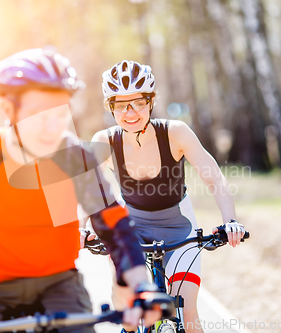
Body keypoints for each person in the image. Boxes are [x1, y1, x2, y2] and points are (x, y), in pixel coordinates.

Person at [0, 50, 160, 333]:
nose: (52, 127)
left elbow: (115, 225)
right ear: (7, 109)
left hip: (58, 284)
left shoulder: (76, 158)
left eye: (60, 113)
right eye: (39, 114)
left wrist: (142, 287)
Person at [89, 60, 245, 333]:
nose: (130, 112)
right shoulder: (104, 141)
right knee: (122, 294)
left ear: (150, 102)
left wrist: (230, 220)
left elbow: (214, 178)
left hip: (178, 226)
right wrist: (81, 229)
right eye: (121, 104)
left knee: (186, 306)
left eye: (137, 102)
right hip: (131, 227)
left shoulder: (175, 133)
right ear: (110, 107)